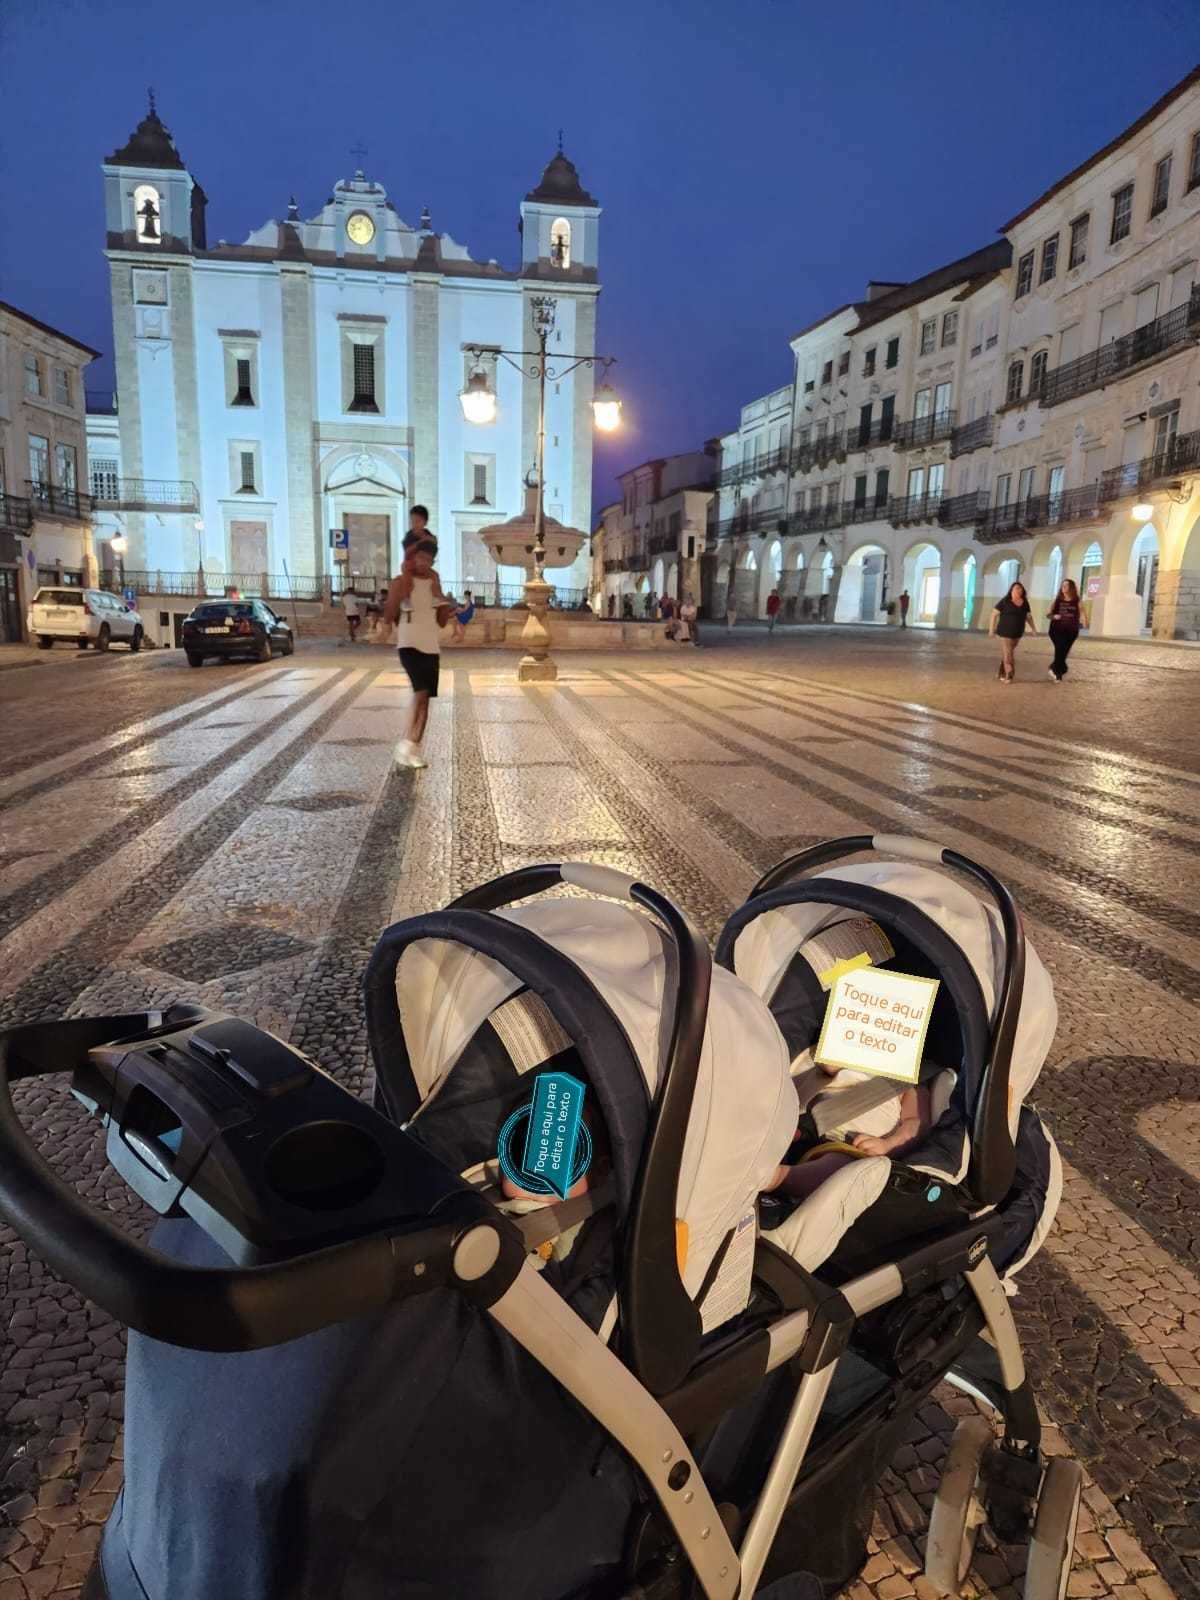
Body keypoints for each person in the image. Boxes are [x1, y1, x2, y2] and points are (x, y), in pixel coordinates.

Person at [384, 539, 456, 769]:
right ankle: (407, 745)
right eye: (420, 558)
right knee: (421, 692)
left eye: (428, 559)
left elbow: (442, 622)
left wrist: (445, 606)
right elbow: (390, 612)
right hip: (409, 645)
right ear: (413, 558)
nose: (424, 563)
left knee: (425, 701)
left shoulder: (434, 583)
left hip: (431, 646)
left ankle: (412, 748)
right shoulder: (401, 582)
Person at [989, 580, 1036, 683]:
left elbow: (1028, 617)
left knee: (1009, 652)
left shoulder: (1025, 603)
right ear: (1011, 591)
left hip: (1017, 632)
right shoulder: (1005, 601)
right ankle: (1009, 673)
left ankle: (1002, 668)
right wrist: (991, 630)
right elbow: (994, 614)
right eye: (1016, 588)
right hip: (1004, 632)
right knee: (1008, 654)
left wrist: (1033, 628)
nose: (1018, 590)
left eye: (1020, 589)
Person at [1047, 578, 1083, 682]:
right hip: (1056, 630)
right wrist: (1054, 616)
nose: (1063, 587)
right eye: (1063, 585)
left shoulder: (1077, 600)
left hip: (1071, 631)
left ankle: (1055, 667)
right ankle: (1058, 673)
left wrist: (1084, 621)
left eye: (1066, 585)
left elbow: (1082, 613)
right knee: (1059, 649)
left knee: (1064, 651)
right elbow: (1048, 615)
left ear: (1071, 587)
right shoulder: (1057, 600)